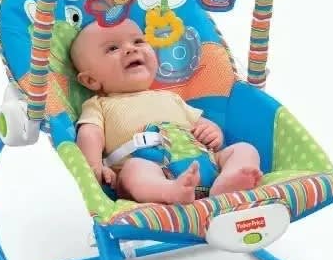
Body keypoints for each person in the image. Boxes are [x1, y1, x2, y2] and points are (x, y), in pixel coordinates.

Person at [71, 19, 262, 204]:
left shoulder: (171, 98)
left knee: (244, 149)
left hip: (204, 162)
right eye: (112, 48)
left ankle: (228, 181)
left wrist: (213, 133)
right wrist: (95, 166)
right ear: (90, 80)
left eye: (138, 41)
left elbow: (200, 123)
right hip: (150, 169)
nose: (131, 49)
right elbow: (90, 134)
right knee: (133, 170)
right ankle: (170, 191)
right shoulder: (99, 105)